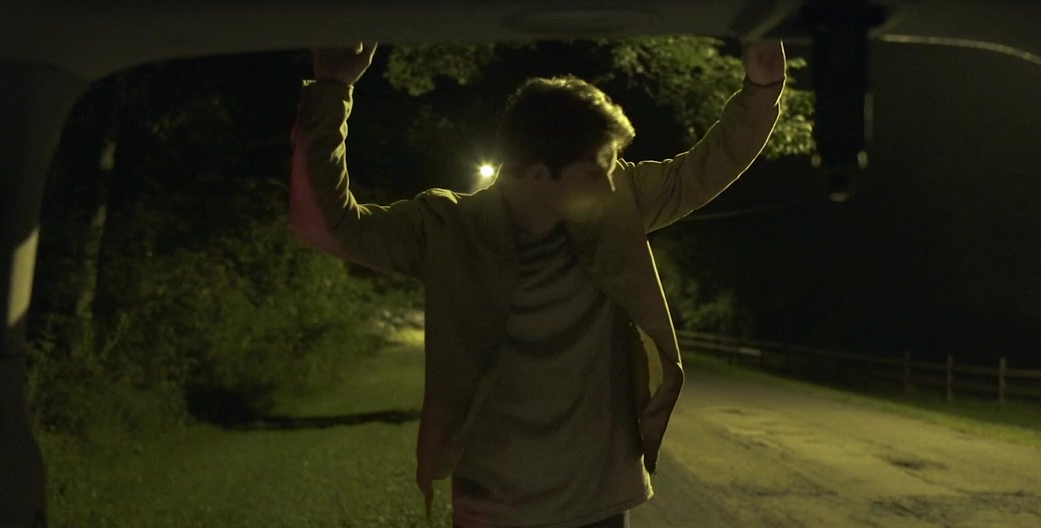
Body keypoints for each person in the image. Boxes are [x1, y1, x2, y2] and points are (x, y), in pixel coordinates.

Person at [290, 39, 785, 528]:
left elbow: (703, 169)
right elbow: (327, 225)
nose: (611, 183)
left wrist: (763, 88)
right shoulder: (447, 230)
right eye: (595, 171)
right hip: (495, 512)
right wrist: (333, 89)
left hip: (600, 505)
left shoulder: (614, 207)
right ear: (537, 176)